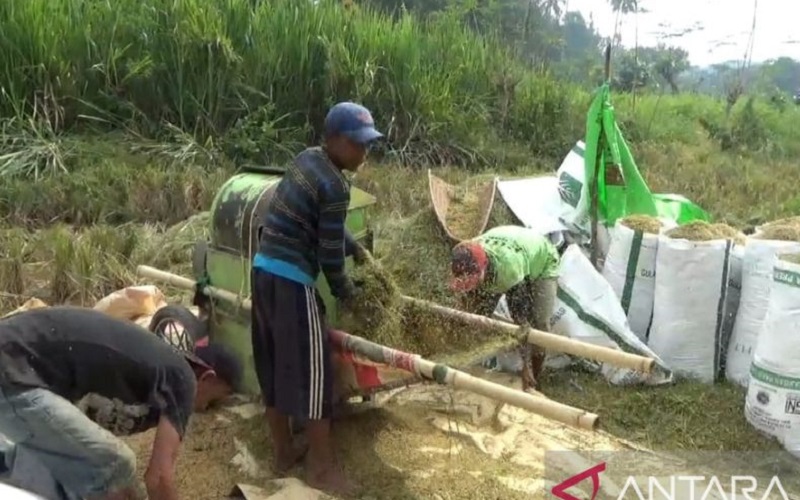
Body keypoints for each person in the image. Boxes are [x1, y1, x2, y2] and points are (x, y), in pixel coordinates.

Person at [251, 101, 383, 495]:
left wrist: (356, 247)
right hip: (293, 281)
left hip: (263, 271)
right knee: (316, 373)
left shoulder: (307, 159)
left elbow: (328, 223)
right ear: (336, 140)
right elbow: (328, 257)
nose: (364, 152)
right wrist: (348, 293)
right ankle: (321, 469)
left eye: (368, 143)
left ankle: (283, 452)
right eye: (358, 143)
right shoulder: (336, 185)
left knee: (272, 364)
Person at [0, 306, 242, 500]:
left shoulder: (153, 375)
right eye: (213, 399)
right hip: (12, 369)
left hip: (17, 368)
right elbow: (158, 478)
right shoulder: (182, 377)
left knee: (75, 469)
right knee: (114, 466)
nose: (204, 408)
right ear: (208, 377)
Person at [449, 225, 563, 391]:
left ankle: (534, 379)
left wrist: (525, 366)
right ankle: (471, 363)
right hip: (513, 247)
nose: (468, 285)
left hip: (543, 259)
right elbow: (469, 309)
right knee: (476, 314)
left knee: (540, 324)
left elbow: (521, 324)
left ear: (483, 268)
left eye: (471, 280)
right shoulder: (466, 253)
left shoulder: (508, 272)